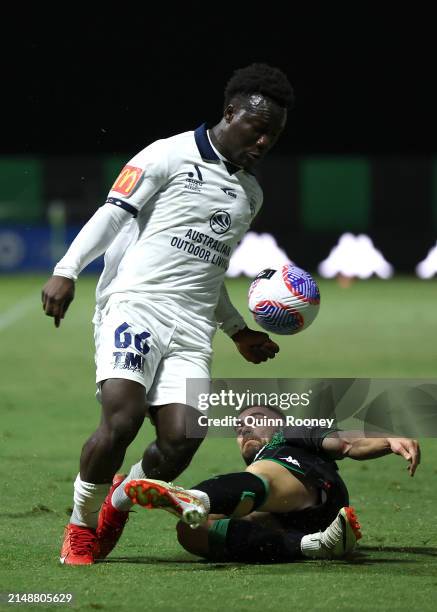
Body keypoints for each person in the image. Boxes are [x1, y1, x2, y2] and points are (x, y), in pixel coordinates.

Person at [41, 63, 295, 565]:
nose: (264, 141)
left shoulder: (250, 194)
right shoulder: (167, 153)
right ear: (230, 113)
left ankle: (118, 499)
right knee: (122, 419)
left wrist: (238, 330)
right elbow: (113, 212)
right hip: (135, 305)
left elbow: (209, 269)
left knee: (182, 439)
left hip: (194, 324)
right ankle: (80, 524)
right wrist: (67, 269)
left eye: (274, 135)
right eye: (257, 128)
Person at [125, 405, 420, 563]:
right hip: (296, 522)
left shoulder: (289, 436)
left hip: (315, 491)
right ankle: (312, 546)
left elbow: (346, 443)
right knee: (192, 531)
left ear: (280, 424)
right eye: (239, 428)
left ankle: (194, 498)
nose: (243, 428)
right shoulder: (253, 470)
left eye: (254, 419)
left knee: (261, 475)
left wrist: (387, 440)